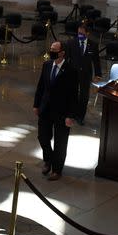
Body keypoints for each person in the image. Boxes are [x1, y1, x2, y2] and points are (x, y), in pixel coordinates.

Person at [33, 41, 78, 181]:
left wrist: (70, 115)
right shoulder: (47, 65)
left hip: (62, 112)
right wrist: (36, 105)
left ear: (62, 53)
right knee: (42, 137)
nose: (51, 51)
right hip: (45, 108)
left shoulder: (71, 70)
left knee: (60, 142)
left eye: (54, 50)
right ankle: (48, 160)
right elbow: (41, 86)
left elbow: (73, 95)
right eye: (50, 49)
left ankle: (57, 170)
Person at [65, 23, 102, 125]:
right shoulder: (71, 43)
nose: (80, 35)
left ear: (87, 33)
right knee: (73, 94)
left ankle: (80, 117)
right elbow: (66, 59)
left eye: (82, 33)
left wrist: (98, 74)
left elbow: (96, 61)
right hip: (73, 73)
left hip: (86, 74)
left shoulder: (93, 45)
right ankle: (71, 114)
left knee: (84, 96)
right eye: (78, 33)